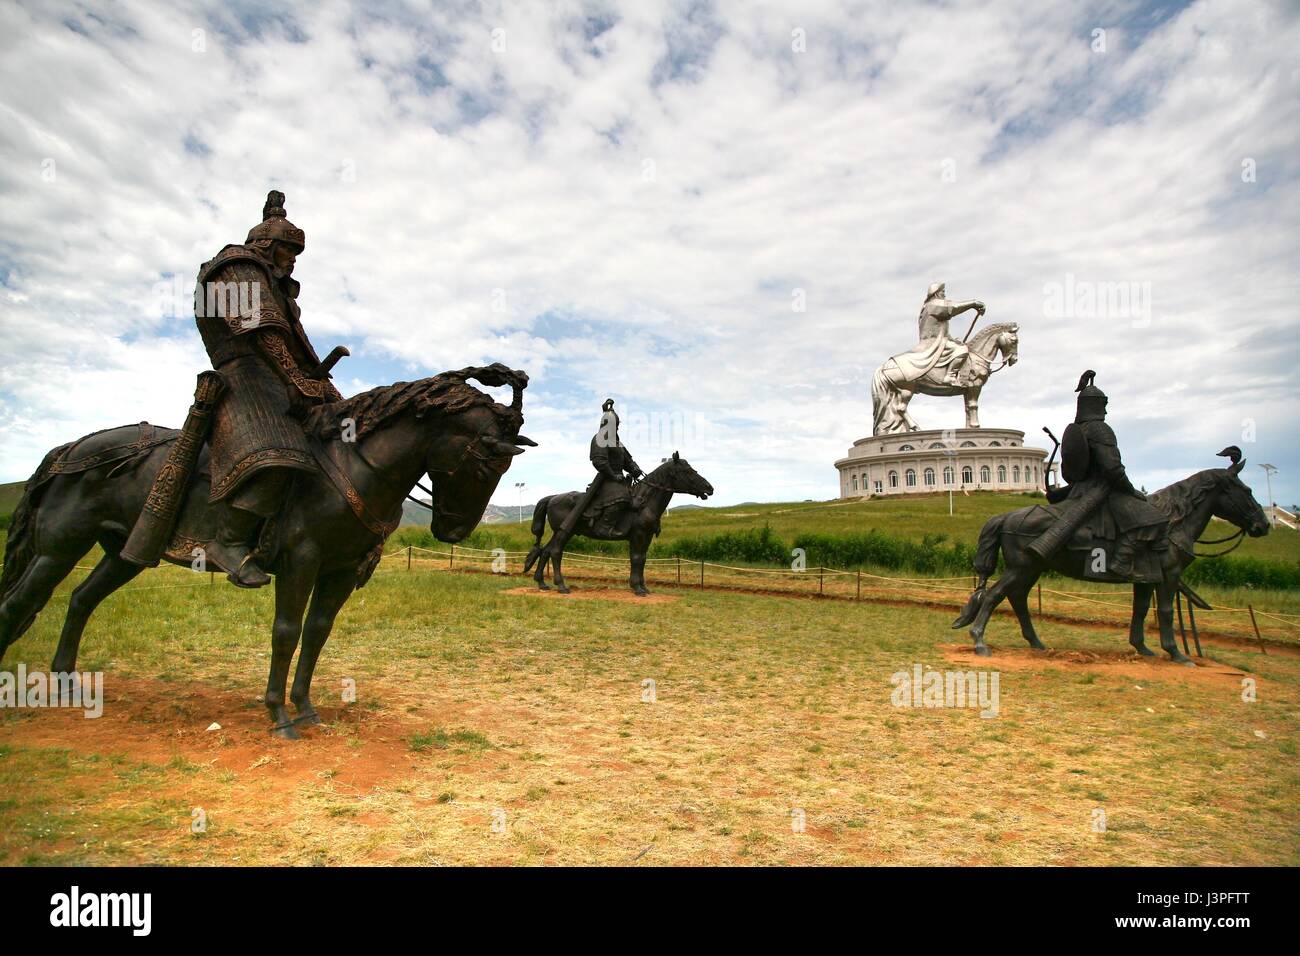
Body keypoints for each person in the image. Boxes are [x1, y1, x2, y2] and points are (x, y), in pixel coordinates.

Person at [194, 191, 343, 587]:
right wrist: (295, 380)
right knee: (279, 450)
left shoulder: (282, 291)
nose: (292, 259)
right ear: (266, 245)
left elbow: (296, 345)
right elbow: (261, 330)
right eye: (286, 250)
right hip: (244, 375)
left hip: (278, 376)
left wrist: (325, 390)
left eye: (295, 253)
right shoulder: (233, 266)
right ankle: (228, 541)